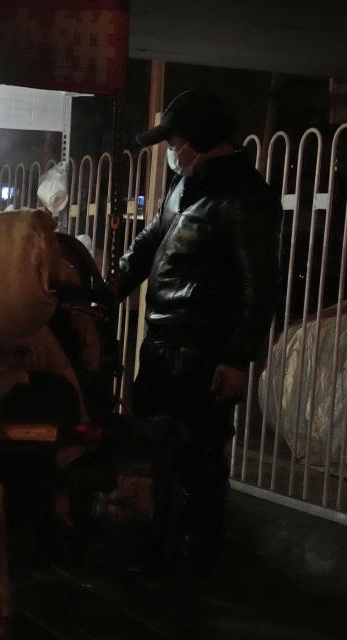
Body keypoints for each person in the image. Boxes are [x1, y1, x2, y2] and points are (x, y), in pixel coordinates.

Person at [117, 90, 281, 583]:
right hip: (162, 346)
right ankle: (156, 545)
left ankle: (196, 559)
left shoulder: (245, 198)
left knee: (199, 459)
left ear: (195, 141)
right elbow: (151, 242)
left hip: (204, 354)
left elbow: (260, 288)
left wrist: (235, 359)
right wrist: (106, 284)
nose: (170, 150)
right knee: (152, 450)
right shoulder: (184, 187)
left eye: (175, 141)